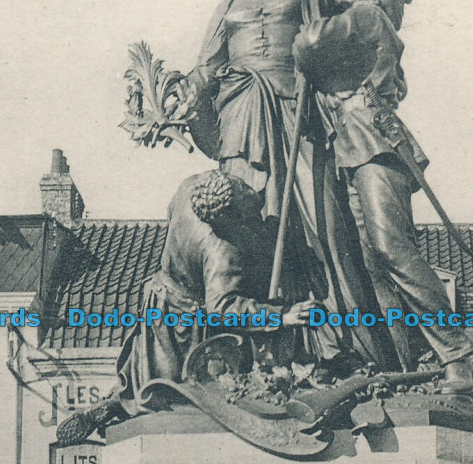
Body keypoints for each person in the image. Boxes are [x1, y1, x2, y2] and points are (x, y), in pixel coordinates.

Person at [166, 0, 399, 373]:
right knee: (242, 234)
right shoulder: (229, 5)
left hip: (300, 123)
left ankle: (349, 349)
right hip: (242, 129)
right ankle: (251, 357)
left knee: (323, 231)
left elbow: (341, 33)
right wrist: (184, 90)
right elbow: (206, 68)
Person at [292, 0, 473, 391]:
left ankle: (457, 356)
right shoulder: (364, 31)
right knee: (373, 262)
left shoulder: (367, 15)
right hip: (354, 148)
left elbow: (308, 41)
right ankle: (405, 360)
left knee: (392, 250)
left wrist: (318, 15)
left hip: (373, 143)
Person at [55, 171, 317, 445]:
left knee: (152, 384)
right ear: (228, 218)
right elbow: (222, 308)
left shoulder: (188, 189)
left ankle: (114, 403)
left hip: (159, 298)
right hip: (187, 319)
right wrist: (282, 316)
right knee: (183, 397)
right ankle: (117, 405)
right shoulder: (220, 249)